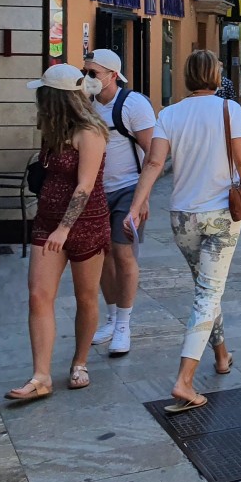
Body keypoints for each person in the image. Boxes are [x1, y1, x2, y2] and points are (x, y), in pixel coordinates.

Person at [128, 51, 241, 412]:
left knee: (206, 288)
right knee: (207, 293)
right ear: (216, 76)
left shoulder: (168, 114)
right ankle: (184, 381)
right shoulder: (227, 109)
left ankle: (221, 355)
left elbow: (155, 162)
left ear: (186, 76)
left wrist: (138, 202)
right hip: (220, 214)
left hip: (182, 217)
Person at [5, 65, 111, 401]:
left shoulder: (89, 132)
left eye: (41, 94)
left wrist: (65, 229)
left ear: (54, 97)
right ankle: (40, 377)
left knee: (85, 297)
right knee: (38, 295)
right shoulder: (52, 129)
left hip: (86, 224)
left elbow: (85, 185)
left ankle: (80, 362)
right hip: (46, 222)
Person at [84, 49, 155, 358]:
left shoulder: (133, 105)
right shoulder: (84, 104)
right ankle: (112, 319)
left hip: (127, 188)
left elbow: (153, 154)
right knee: (102, 257)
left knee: (123, 254)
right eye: (84, 72)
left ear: (113, 75)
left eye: (93, 73)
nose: (87, 78)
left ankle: (124, 324)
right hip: (95, 192)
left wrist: (143, 199)